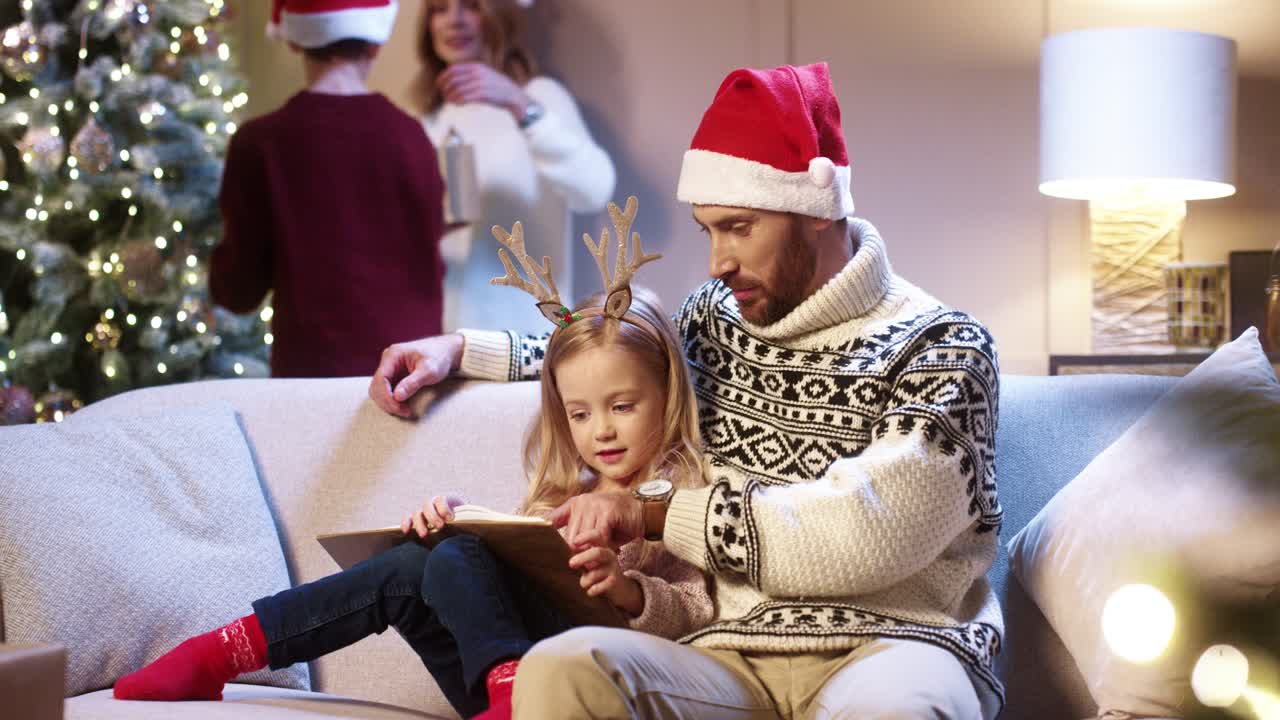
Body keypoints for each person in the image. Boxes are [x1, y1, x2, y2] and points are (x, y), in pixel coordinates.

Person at [370, 63, 1005, 719]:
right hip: (725, 657)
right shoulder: (714, 320)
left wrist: (654, 513)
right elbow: (614, 352)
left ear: (816, 209)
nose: (717, 262)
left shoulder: (944, 348)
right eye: (709, 230)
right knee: (563, 669)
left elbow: (870, 531)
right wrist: (460, 350)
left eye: (739, 227)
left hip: (894, 648)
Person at [113, 214, 713, 720]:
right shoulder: (563, 489)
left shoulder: (682, 496)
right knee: (426, 559)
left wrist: (629, 592)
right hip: (502, 678)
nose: (601, 430)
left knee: (439, 560)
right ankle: (226, 651)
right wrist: (465, 520)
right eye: (580, 414)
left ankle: (223, 652)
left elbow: (699, 610)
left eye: (622, 407)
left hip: (583, 685)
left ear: (668, 393)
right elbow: (515, 577)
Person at [209, 0, 446, 378]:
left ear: (293, 41)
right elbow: (432, 255)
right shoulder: (412, 136)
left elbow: (239, 289)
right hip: (411, 371)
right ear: (376, 43)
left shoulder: (260, 143)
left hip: (312, 375)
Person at [416, 0, 616, 334]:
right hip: (445, 341)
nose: (454, 21)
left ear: (497, 14)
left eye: (470, 5)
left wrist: (519, 105)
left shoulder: (539, 98)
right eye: (439, 8)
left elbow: (595, 190)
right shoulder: (427, 123)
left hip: (527, 338)